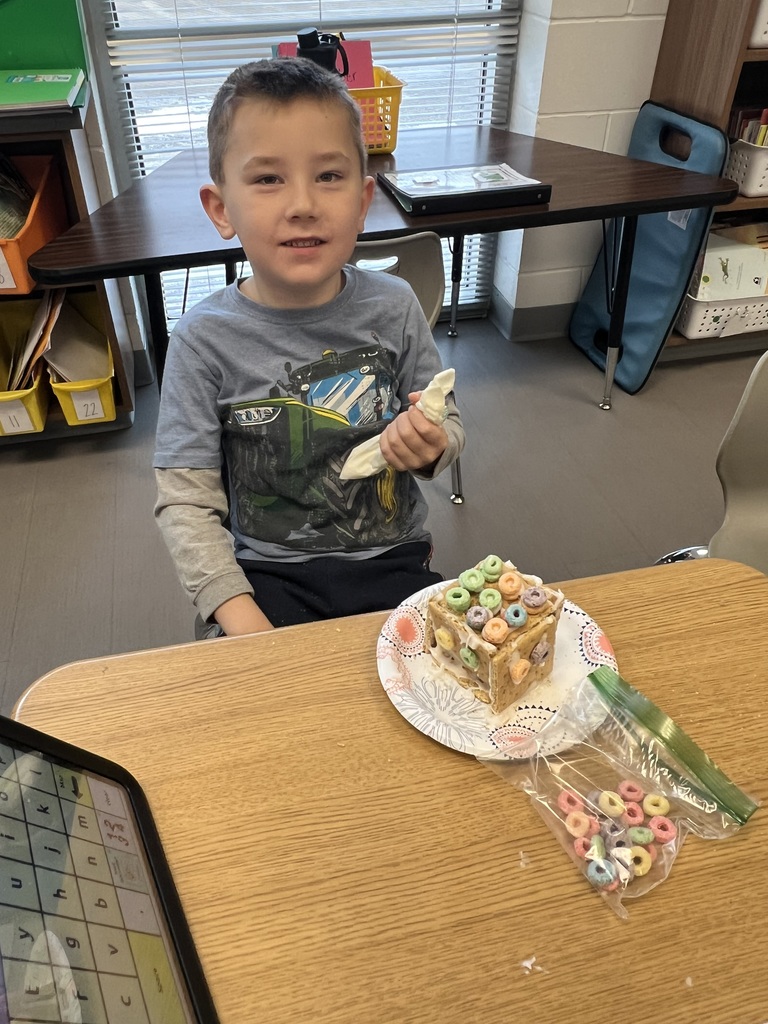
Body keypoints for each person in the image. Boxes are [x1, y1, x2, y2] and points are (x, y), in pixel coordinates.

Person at [153, 57, 464, 636]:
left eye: (329, 176)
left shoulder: (395, 307)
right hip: (265, 577)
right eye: (268, 178)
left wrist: (429, 444)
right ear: (221, 209)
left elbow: (446, 427)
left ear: (363, 198)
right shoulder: (202, 341)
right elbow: (186, 502)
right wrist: (238, 612)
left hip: (390, 560)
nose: (303, 203)